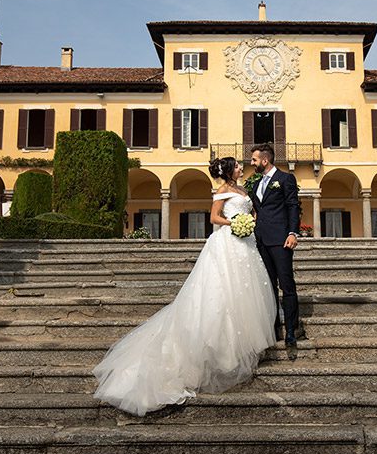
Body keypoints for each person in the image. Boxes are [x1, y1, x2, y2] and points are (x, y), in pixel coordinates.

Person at [92, 157, 276, 417]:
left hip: (246, 244)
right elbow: (215, 217)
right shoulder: (222, 190)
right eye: (236, 165)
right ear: (227, 170)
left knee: (245, 292)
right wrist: (235, 223)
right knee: (220, 292)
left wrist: (251, 221)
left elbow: (251, 211)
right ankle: (217, 352)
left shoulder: (243, 190)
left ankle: (239, 346)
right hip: (227, 242)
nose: (240, 167)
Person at [248, 143, 303, 359]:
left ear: (265, 160)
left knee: (286, 285)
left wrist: (292, 233)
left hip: (281, 239)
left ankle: (291, 331)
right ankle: (273, 328)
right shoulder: (256, 183)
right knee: (268, 286)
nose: (251, 163)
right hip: (260, 241)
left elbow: (293, 206)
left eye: (254, 160)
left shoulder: (286, 179)